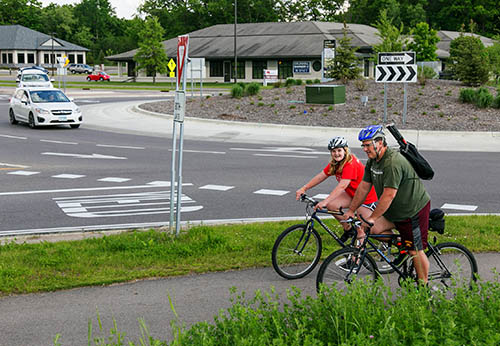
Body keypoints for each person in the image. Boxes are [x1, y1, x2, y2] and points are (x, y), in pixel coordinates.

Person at [345, 125, 431, 284]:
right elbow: (364, 186)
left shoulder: (392, 162)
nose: (364, 149)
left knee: (415, 250)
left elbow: (389, 194)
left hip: (412, 210)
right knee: (375, 229)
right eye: (362, 145)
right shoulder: (373, 161)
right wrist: (351, 210)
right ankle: (402, 247)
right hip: (395, 211)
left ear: (379, 143)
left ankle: (423, 288)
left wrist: (373, 217)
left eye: (367, 144)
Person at [296, 136, 390, 242]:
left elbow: (342, 186)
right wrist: (304, 188)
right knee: (332, 205)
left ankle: (357, 255)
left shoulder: (350, 164)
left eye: (339, 150)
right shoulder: (336, 163)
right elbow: (321, 176)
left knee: (365, 230)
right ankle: (349, 229)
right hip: (352, 194)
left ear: (345, 150)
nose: (336, 154)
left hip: (365, 198)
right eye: (333, 151)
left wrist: (324, 202)